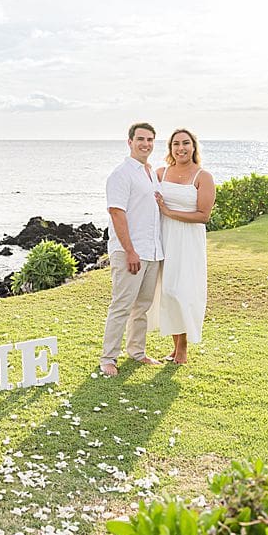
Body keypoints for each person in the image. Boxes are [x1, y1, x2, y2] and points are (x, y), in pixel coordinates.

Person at [100, 122, 164, 376]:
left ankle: (137, 352)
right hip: (130, 252)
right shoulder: (122, 174)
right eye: (140, 139)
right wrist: (129, 251)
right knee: (122, 305)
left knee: (142, 306)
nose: (145, 144)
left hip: (152, 251)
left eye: (150, 140)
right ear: (130, 142)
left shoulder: (151, 173)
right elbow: (117, 213)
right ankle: (108, 358)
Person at [151, 128, 214, 364]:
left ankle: (184, 346)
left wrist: (168, 212)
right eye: (176, 144)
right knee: (167, 290)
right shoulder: (160, 173)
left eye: (186, 143)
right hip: (165, 238)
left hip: (189, 241)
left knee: (184, 291)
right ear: (170, 148)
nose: (181, 148)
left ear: (193, 146)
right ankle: (175, 346)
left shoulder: (203, 176)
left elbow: (203, 215)